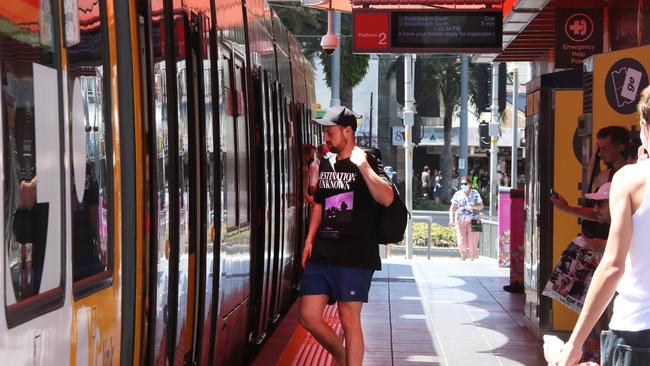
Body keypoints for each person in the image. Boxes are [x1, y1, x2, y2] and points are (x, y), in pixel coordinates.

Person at [556, 86, 650, 366]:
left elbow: (613, 266)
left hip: (638, 331)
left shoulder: (631, 179)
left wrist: (574, 344)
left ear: (644, 127)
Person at [299, 106, 394, 366]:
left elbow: (386, 198)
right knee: (308, 316)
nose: (325, 139)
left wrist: (363, 166)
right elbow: (319, 203)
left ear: (348, 131)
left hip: (355, 255)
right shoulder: (327, 162)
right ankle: (340, 355)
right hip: (323, 251)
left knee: (349, 321)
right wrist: (309, 240)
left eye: (329, 133)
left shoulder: (369, 160)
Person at [550, 126, 629, 239]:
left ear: (620, 147)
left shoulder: (629, 175)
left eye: (605, 148)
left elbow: (600, 214)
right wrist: (594, 154)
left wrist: (567, 208)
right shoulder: (610, 174)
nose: (601, 154)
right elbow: (593, 180)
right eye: (599, 149)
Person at [449, 176, 484, 261]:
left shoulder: (475, 193)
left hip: (475, 219)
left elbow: (481, 206)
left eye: (465, 184)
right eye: (462, 184)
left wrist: (473, 207)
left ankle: (473, 258)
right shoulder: (458, 194)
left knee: (473, 241)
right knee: (461, 241)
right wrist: (451, 219)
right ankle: (463, 255)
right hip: (460, 219)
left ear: (470, 184)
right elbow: (452, 207)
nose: (463, 185)